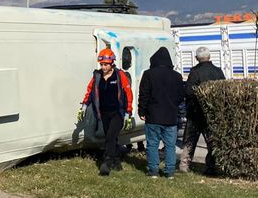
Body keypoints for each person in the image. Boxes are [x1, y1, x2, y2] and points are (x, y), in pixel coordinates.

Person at [80, 48, 133, 175]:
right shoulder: (97, 76)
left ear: (112, 63)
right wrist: (84, 106)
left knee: (110, 137)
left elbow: (128, 93)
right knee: (112, 138)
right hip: (103, 113)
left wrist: (128, 112)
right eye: (102, 64)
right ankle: (116, 161)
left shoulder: (119, 75)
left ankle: (106, 163)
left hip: (117, 113)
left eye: (106, 65)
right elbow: (90, 90)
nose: (103, 67)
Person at [138, 47, 185, 179]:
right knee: (170, 146)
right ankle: (170, 172)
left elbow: (144, 95)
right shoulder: (177, 76)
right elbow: (181, 96)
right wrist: (173, 106)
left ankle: (153, 170)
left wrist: (142, 110)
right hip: (170, 116)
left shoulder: (148, 74)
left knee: (152, 144)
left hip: (153, 115)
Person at [179, 47, 225, 174]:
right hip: (213, 113)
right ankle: (211, 167)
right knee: (212, 142)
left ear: (196, 58)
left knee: (190, 141)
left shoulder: (195, 72)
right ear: (209, 57)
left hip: (196, 113)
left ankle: (184, 166)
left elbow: (188, 91)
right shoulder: (218, 71)